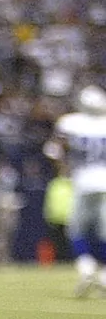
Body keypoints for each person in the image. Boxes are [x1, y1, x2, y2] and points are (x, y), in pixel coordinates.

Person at [53, 84, 106, 297]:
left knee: (77, 231)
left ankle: (86, 268)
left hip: (82, 182)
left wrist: (64, 168)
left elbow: (54, 150)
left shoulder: (71, 123)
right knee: (103, 233)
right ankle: (103, 275)